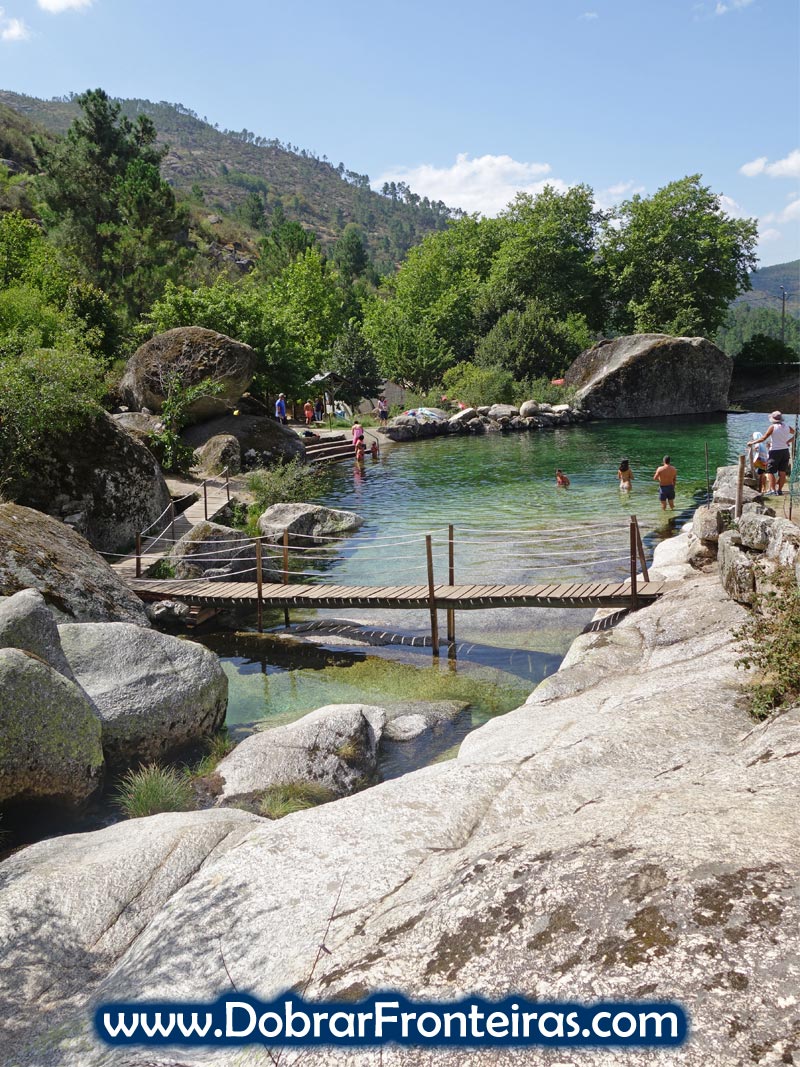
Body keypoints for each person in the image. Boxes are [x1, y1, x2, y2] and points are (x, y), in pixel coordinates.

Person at [750, 411, 795, 495]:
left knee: (769, 471)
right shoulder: (787, 427)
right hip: (785, 451)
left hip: (775, 451)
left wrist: (752, 442)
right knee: (782, 471)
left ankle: (773, 491)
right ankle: (780, 490)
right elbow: (797, 434)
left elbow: (763, 438)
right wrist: (788, 441)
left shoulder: (772, 427)